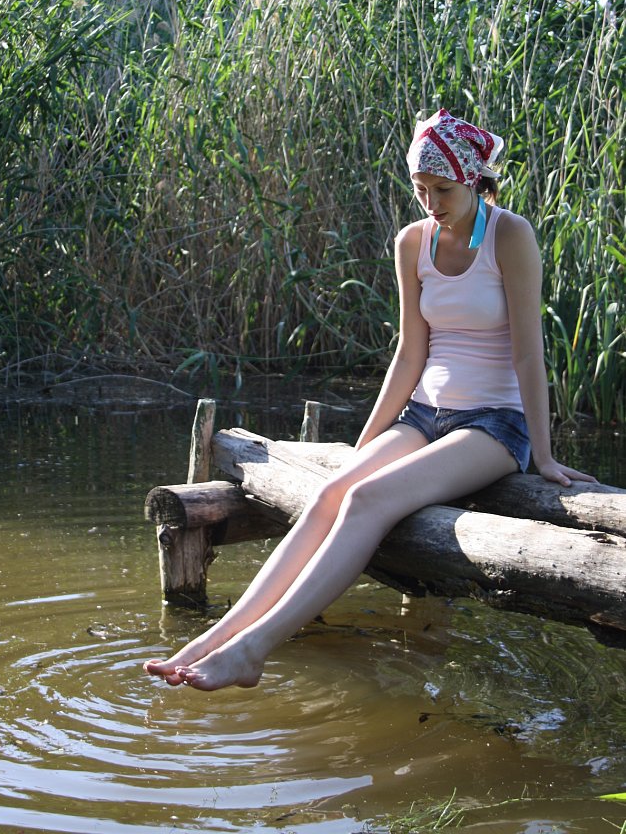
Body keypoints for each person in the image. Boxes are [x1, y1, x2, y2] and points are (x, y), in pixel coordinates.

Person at [144, 108, 596, 692]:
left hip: (493, 425)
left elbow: (529, 354)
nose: (430, 202)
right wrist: (365, 447)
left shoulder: (510, 235)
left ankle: (252, 651)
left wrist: (544, 455)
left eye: (443, 189)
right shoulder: (413, 241)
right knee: (333, 493)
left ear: (474, 178)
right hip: (424, 414)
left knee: (367, 499)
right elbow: (410, 353)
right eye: (420, 189)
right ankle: (214, 639)